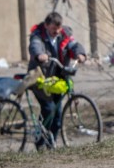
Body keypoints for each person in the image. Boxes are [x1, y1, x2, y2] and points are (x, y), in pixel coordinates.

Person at [27, 12, 88, 146]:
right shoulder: (38, 35)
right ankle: (40, 143)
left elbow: (73, 45)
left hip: (57, 80)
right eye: (54, 29)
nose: (57, 32)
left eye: (58, 29)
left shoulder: (64, 34)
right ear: (47, 25)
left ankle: (51, 144)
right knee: (49, 108)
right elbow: (35, 46)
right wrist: (40, 55)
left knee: (58, 115)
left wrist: (80, 54)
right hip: (40, 78)